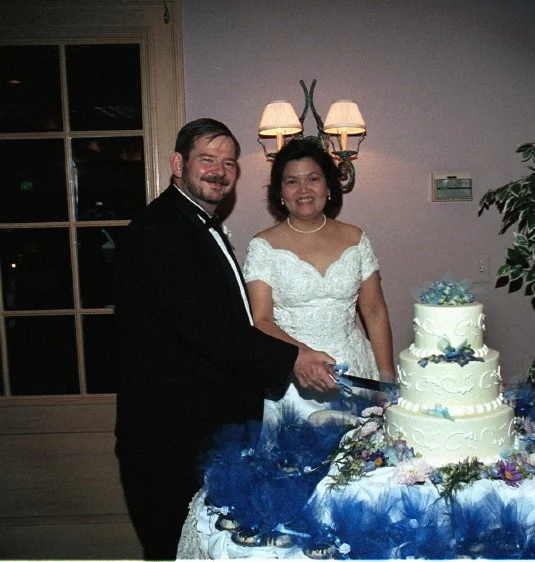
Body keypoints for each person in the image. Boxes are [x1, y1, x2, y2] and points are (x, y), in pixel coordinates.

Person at [113, 119, 337, 560]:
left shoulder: (194, 224)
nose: (219, 170)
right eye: (207, 159)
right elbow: (205, 329)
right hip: (168, 441)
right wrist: (292, 359)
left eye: (228, 162)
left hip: (203, 430)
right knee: (173, 548)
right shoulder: (159, 231)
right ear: (178, 164)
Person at [242, 138, 395, 427]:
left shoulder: (356, 238)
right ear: (280, 192)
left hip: (355, 373)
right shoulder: (263, 246)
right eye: (292, 181)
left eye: (313, 179)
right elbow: (261, 321)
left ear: (328, 186)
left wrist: (386, 380)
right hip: (294, 377)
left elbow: (374, 311)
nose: (303, 190)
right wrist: (305, 357)